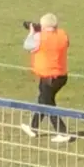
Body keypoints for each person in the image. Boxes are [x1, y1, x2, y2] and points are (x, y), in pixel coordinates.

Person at [21, 13, 71, 143]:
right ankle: (33, 127)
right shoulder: (62, 34)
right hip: (61, 75)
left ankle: (62, 132)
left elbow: (27, 45)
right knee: (43, 99)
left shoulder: (39, 37)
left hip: (49, 77)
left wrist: (32, 32)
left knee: (47, 103)